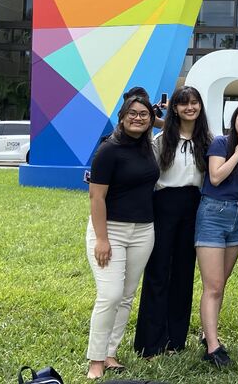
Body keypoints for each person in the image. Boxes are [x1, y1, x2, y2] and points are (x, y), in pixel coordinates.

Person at [85, 95, 159, 379]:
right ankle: (95, 359)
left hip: (143, 231)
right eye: (133, 113)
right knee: (110, 295)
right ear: (122, 116)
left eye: (144, 114)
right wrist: (102, 239)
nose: (138, 118)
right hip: (110, 230)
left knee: (126, 296)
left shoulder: (148, 147)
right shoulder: (109, 149)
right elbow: (96, 197)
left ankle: (110, 353)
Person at [134, 86, 212, 358]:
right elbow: (149, 179)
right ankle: (149, 342)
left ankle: (175, 341)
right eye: (183, 104)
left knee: (183, 273)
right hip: (164, 205)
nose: (190, 108)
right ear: (175, 109)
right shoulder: (160, 141)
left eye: (194, 103)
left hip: (194, 207)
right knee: (157, 272)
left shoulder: (207, 141)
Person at [196, 100, 238, 368]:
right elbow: (215, 177)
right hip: (213, 214)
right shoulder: (221, 143)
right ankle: (213, 348)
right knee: (212, 285)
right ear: (234, 119)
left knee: (220, 283)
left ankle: (207, 333)